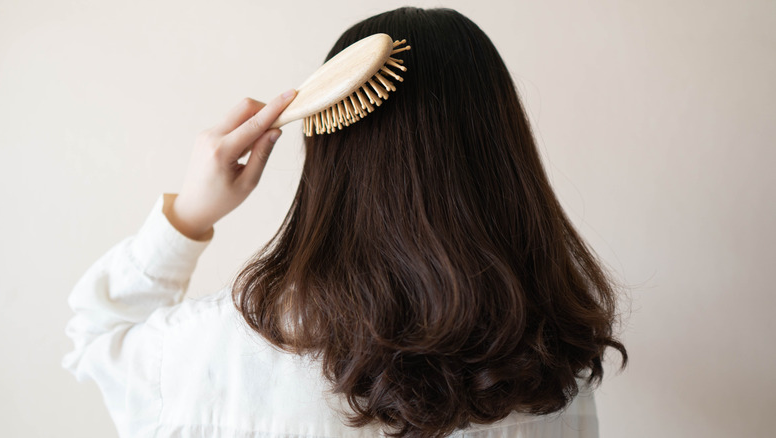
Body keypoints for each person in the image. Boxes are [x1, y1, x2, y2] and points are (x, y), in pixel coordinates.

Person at [62, 6, 627, 438]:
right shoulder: (553, 369)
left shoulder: (220, 353)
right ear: (503, 158)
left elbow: (98, 341)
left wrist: (188, 214)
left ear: (330, 163)